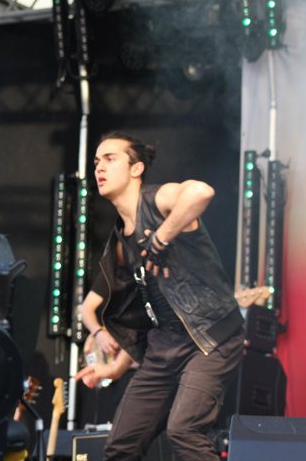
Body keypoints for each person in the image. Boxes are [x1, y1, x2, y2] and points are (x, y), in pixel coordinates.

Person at [74, 132, 244, 460]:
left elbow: (201, 191)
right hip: (163, 349)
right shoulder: (119, 245)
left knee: (184, 430)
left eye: (110, 159)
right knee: (120, 445)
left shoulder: (158, 200)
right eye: (96, 162)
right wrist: (117, 367)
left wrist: (161, 237)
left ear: (136, 169)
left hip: (211, 338)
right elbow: (146, 317)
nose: (99, 168)